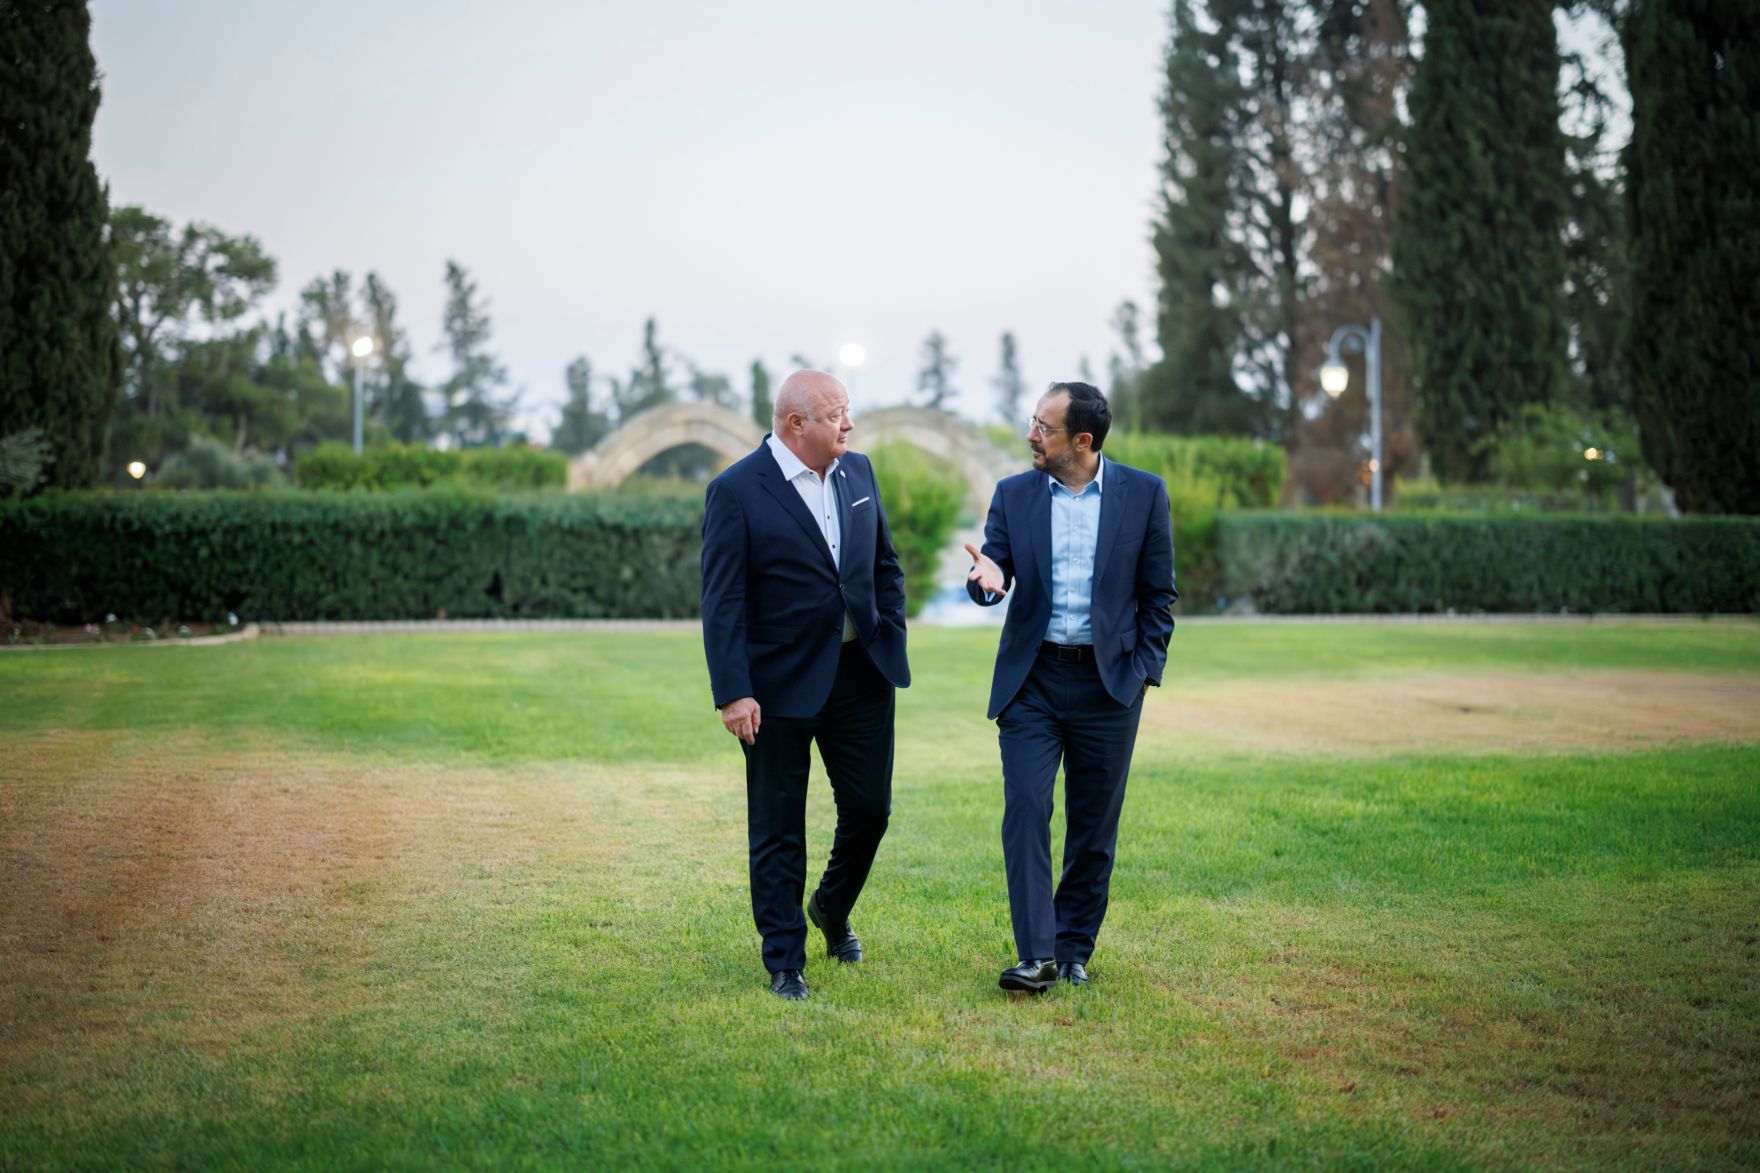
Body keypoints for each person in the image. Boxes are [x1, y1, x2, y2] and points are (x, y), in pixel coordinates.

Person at [700, 369, 911, 1000]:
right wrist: (734, 691)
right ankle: (785, 961)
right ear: (797, 424)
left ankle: (830, 907)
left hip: (861, 675)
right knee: (778, 825)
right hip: (776, 687)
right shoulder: (735, 490)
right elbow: (722, 600)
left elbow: (884, 564)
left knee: (871, 811)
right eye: (837, 413)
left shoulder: (858, 472)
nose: (849, 423)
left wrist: (888, 628)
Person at [966, 381, 1176, 993]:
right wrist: (984, 581)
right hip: (1031, 681)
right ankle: (1036, 955)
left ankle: (1074, 948)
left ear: (1082, 440)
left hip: (1109, 686)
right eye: (1033, 421)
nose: (1031, 435)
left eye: (1044, 427)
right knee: (1026, 808)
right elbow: (993, 570)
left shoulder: (1144, 494)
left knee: (1093, 827)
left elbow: (1158, 595)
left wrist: (1142, 673)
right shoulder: (1014, 494)